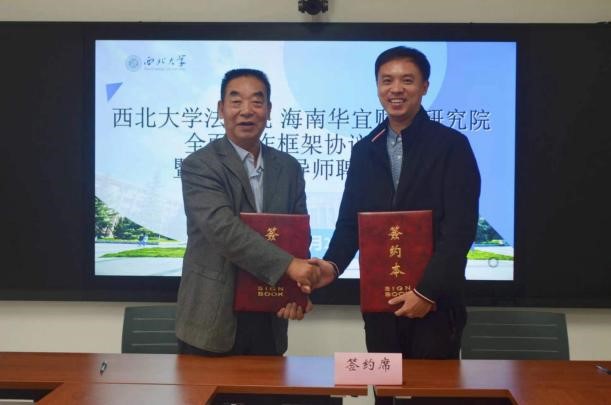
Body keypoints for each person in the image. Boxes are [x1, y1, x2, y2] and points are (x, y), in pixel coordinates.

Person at [311, 47, 480, 403]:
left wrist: (426, 293)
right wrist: (331, 265)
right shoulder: (364, 151)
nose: (396, 89)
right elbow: (350, 222)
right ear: (377, 87)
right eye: (387, 80)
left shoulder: (452, 146)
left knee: (434, 397)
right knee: (385, 395)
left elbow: (460, 229)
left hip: (436, 305)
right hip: (382, 305)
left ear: (425, 86)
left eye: (407, 80)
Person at [175, 68, 334, 356]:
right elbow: (222, 229)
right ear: (221, 109)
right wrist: (290, 267)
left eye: (257, 102)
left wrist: (297, 291)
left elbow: (298, 235)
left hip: (269, 315)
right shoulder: (200, 165)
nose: (246, 110)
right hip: (212, 318)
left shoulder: (289, 168)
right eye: (236, 101)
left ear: (269, 110)